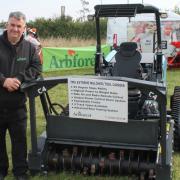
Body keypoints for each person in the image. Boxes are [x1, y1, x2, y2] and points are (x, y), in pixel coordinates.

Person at [0, 11, 41, 180]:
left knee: (19, 142)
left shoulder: (30, 48)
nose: (15, 29)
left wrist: (19, 78)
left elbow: (36, 68)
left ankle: (20, 172)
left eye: (19, 26)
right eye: (12, 25)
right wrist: (3, 81)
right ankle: (1, 170)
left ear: (24, 28)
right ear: (6, 25)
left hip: (18, 105)